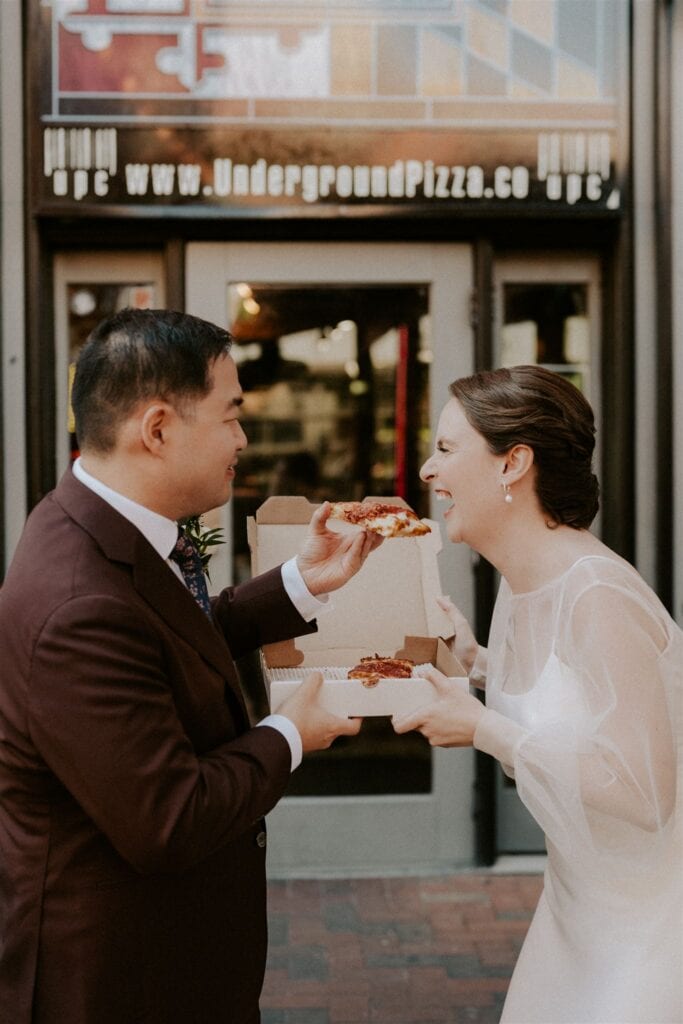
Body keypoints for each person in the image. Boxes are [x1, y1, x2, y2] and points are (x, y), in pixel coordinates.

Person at [0, 308, 381, 1024]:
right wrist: (290, 734)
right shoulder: (76, 603)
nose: (243, 438)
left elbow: (176, 634)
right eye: (230, 415)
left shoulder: (102, 522)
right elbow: (168, 820)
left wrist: (302, 580)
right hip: (121, 982)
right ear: (156, 429)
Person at [394, 366, 682, 1024]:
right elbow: (575, 698)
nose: (426, 473)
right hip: (575, 911)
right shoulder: (526, 581)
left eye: (444, 449)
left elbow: (643, 794)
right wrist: (474, 664)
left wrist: (481, 729)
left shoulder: (597, 594)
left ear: (512, 464)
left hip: (652, 928)